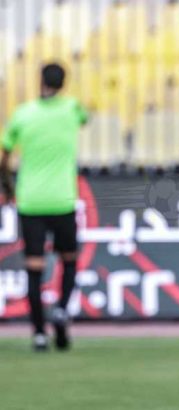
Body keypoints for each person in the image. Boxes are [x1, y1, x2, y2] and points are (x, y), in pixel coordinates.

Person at [1, 63, 88, 351]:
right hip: (62, 199)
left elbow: (4, 153)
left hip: (31, 201)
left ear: (40, 81)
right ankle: (61, 310)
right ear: (63, 83)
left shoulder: (23, 114)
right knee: (69, 260)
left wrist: (7, 186)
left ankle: (39, 333)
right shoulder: (71, 109)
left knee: (34, 269)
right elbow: (83, 118)